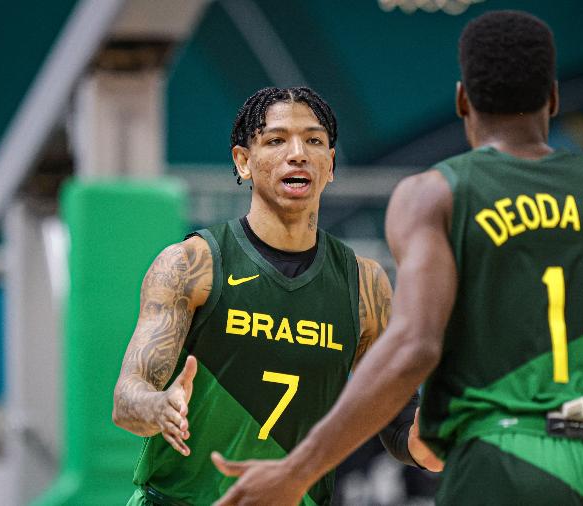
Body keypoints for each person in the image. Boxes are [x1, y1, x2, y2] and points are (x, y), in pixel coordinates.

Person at [211, 10, 583, 506]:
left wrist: (299, 469)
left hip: (505, 459)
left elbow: (413, 346)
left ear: (462, 101)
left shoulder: (436, 194)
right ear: (554, 99)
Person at [112, 86, 441, 506]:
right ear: (243, 161)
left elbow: (398, 422)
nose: (298, 153)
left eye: (315, 140)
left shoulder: (365, 283)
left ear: (331, 165)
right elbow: (126, 399)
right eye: (276, 140)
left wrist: (431, 440)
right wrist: (159, 407)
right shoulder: (191, 264)